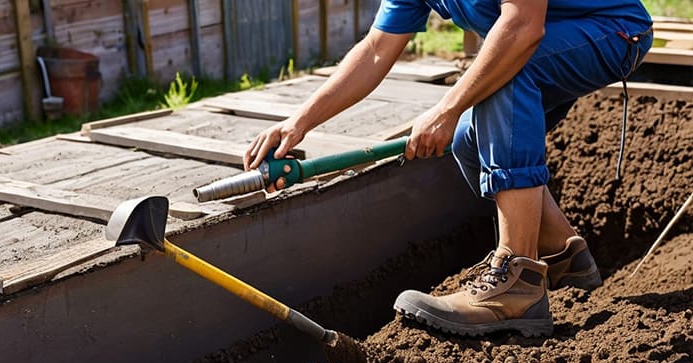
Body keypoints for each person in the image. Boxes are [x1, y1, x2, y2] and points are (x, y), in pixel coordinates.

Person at [243, 0, 653, 337]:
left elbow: (523, 27)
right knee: (468, 143)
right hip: (549, 35)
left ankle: (518, 279)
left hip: (612, 29)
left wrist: (447, 107)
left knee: (506, 75)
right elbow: (376, 49)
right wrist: (299, 122)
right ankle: (566, 256)